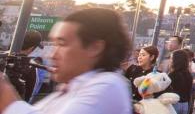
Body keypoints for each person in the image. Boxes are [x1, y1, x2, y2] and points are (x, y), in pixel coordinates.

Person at [0, 7, 134, 114]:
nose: (51, 55)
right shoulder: (71, 88)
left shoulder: (108, 86)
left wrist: (6, 98)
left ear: (95, 48)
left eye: (62, 44)